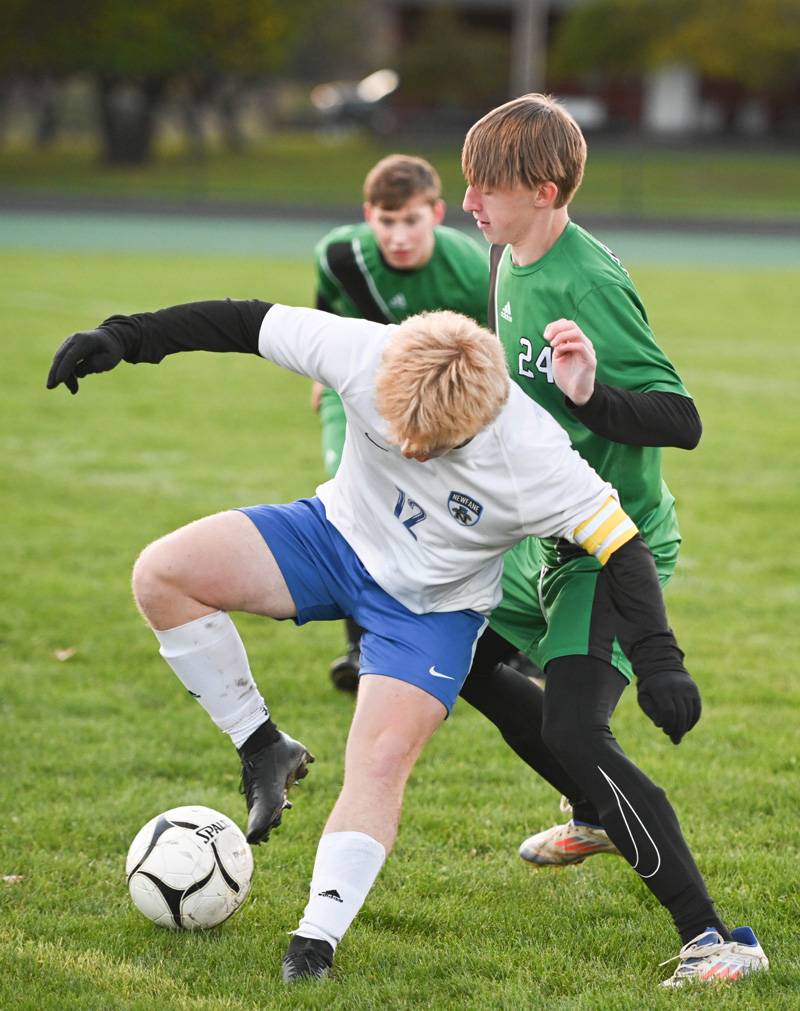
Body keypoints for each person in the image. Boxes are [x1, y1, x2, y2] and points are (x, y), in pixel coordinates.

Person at [47, 297, 697, 985]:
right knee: (161, 575)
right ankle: (262, 744)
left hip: (428, 608)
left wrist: (660, 662)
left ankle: (315, 939)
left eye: (433, 445)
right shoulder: (360, 348)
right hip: (331, 536)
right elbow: (242, 322)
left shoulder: (532, 450)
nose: (412, 450)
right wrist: (124, 336)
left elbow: (623, 547)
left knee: (380, 759)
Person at [458, 93, 768, 987]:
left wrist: (593, 396)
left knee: (576, 725)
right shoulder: (509, 254)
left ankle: (718, 939)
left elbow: (682, 419)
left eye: (489, 186)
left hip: (608, 544)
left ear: (546, 190)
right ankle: (594, 813)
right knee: (467, 654)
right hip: (540, 540)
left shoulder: (587, 281)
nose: (470, 202)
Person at [312, 153, 495, 692]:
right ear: (368, 214)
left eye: (410, 220)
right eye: (386, 221)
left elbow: (492, 355)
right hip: (358, 399)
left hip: (443, 406)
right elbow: (325, 318)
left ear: (436, 213)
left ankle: (502, 648)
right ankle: (359, 647)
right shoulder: (339, 254)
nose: (398, 234)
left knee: (472, 514)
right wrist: (320, 380)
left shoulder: (472, 267)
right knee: (351, 507)